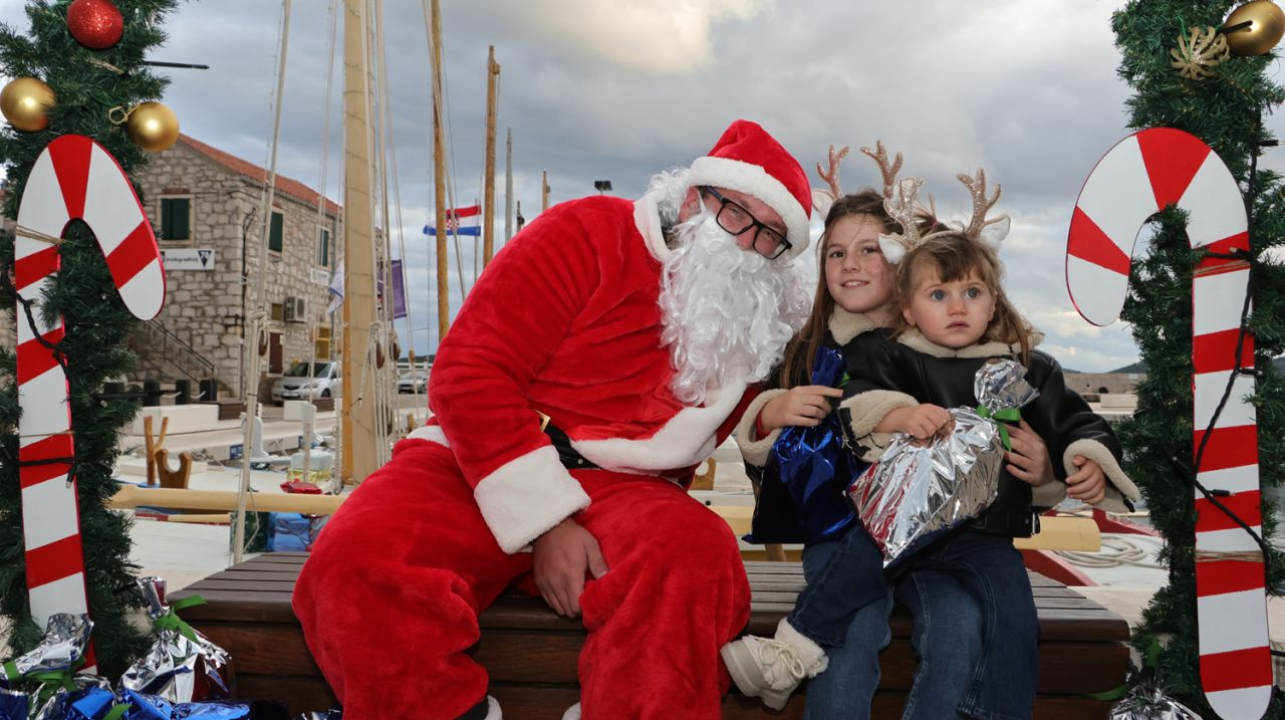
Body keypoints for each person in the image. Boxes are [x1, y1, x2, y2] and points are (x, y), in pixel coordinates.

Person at [291, 119, 816, 720]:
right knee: (354, 562)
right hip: (482, 455)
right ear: (696, 198)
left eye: (772, 236)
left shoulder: (755, 313)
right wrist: (548, 522)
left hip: (628, 490)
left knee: (695, 558)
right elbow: (471, 372)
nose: (749, 244)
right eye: (737, 216)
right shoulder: (587, 231)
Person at [723, 164, 1140, 719]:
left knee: (961, 624)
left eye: (870, 250)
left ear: (900, 260)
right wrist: (769, 414)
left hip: (946, 542)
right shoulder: (809, 350)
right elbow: (767, 455)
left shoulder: (959, 347)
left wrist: (1047, 474)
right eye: (836, 253)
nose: (851, 266)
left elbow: (1039, 429)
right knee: (856, 626)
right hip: (842, 535)